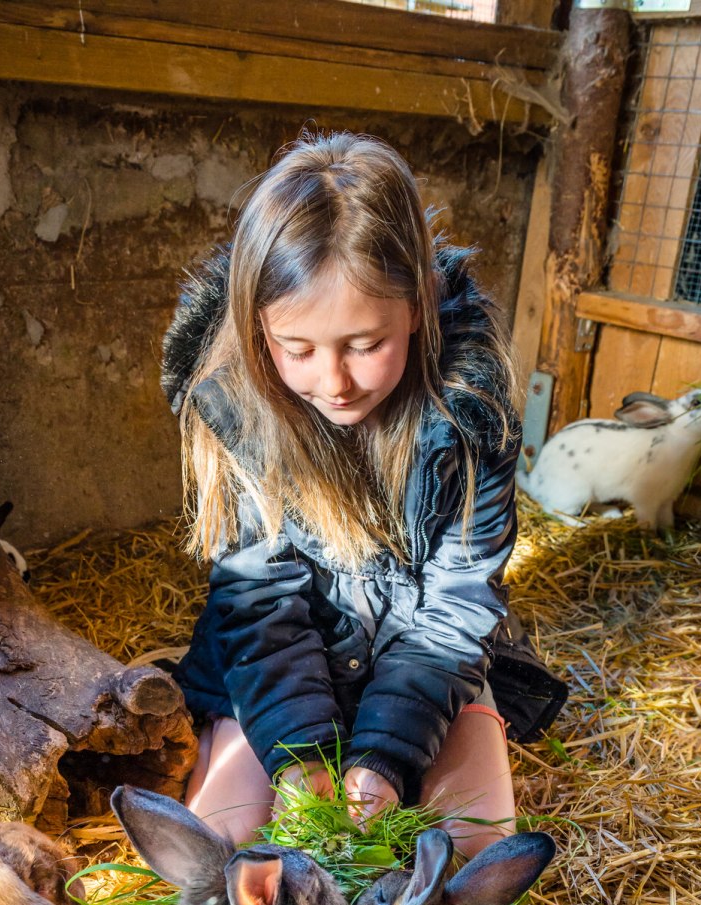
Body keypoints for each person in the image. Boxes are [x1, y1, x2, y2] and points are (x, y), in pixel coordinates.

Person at [160, 131, 565, 858]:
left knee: (470, 855)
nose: (334, 382)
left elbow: (455, 611)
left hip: (421, 672)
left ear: (417, 305)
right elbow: (257, 604)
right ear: (259, 327)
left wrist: (386, 755)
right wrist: (299, 753)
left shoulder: (470, 417)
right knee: (224, 849)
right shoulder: (236, 411)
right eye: (299, 348)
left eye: (363, 343)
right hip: (277, 672)